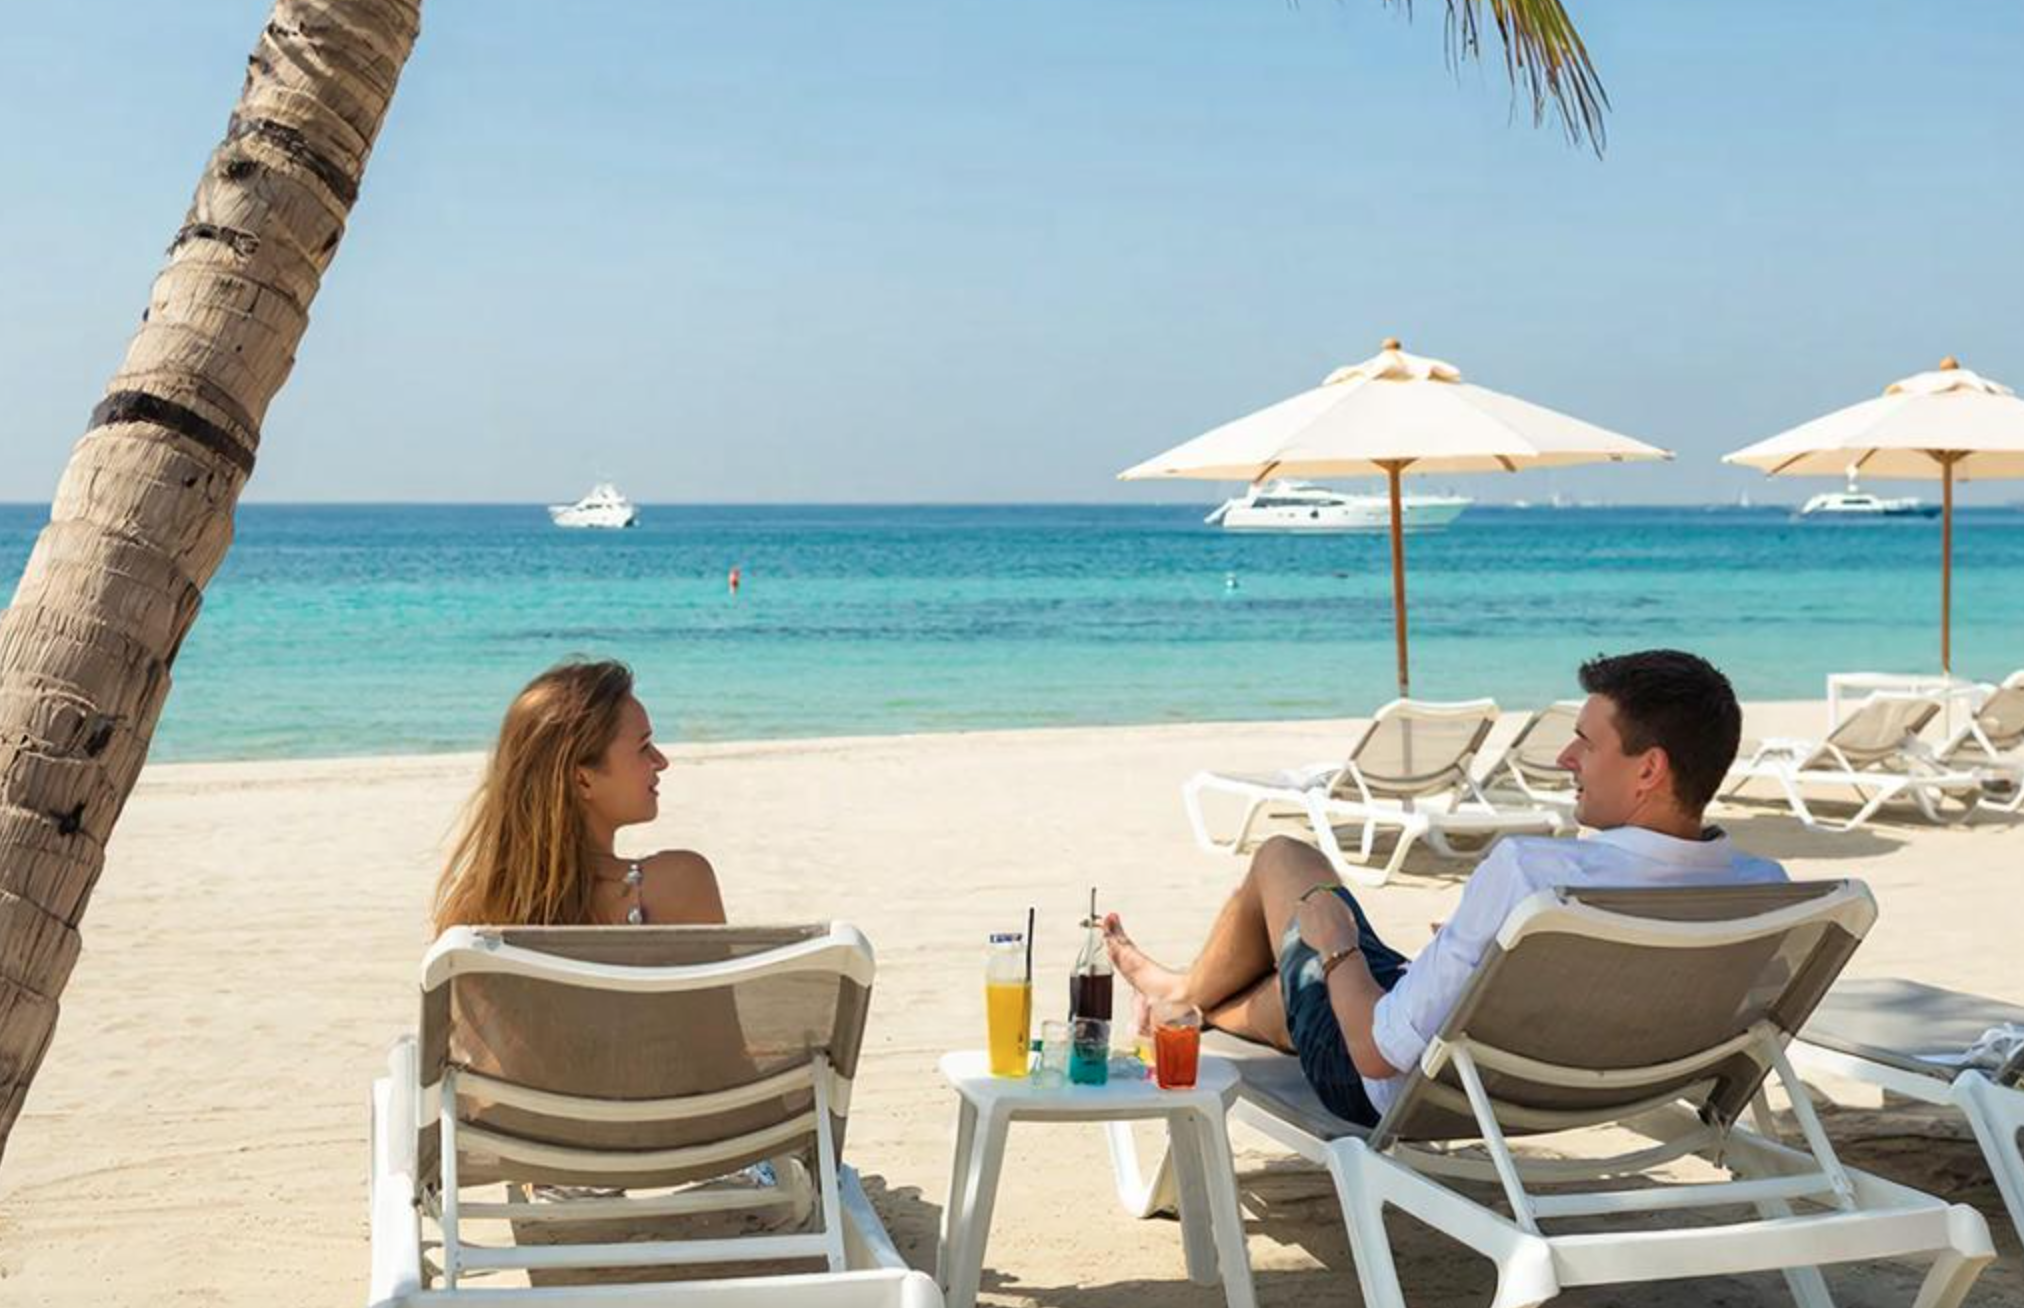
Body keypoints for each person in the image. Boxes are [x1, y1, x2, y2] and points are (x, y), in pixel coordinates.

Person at [1105, 649, 1785, 1127]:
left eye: (1586, 743)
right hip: (1587, 1085)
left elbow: (1375, 1054)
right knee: (1295, 994)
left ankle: (1181, 994)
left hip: (1411, 1091)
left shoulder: (1534, 875)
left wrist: (1338, 947)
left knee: (1286, 860)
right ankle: (1183, 1004)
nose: (1565, 758)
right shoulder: (1762, 890)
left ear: (1649, 770)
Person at [432, 658, 723, 932]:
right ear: (583, 780)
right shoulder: (682, 884)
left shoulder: (472, 914)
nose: (661, 761)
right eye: (643, 746)